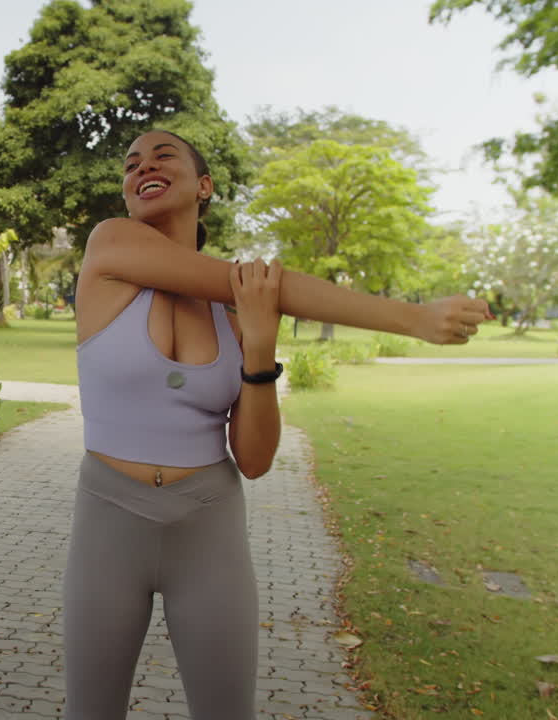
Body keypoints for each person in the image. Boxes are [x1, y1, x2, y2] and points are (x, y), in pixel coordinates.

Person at [63, 129, 491, 719]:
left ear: (203, 186)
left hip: (207, 526)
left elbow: (257, 460)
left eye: (163, 157)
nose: (143, 168)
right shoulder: (109, 244)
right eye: (132, 164)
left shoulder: (239, 308)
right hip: (108, 520)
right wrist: (413, 318)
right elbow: (275, 285)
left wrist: (260, 346)